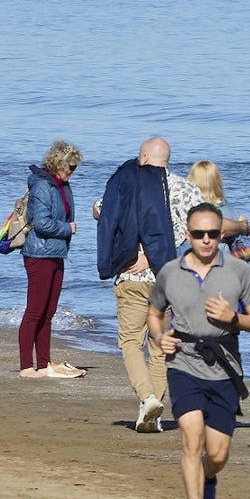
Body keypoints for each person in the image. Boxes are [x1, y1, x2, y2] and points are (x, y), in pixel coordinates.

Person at [148, 203, 250, 499]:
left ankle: (208, 477)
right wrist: (159, 337)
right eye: (198, 234)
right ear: (187, 235)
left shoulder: (238, 272)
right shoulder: (170, 272)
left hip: (224, 366)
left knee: (216, 454)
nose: (205, 240)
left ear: (221, 235)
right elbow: (153, 313)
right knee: (191, 438)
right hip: (183, 364)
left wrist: (233, 318)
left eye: (212, 234)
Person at [95, 137, 204, 431]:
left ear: (143, 157)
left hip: (131, 276)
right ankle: (150, 415)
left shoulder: (127, 183)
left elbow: (101, 209)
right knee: (160, 348)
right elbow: (201, 225)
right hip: (167, 275)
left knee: (131, 342)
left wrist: (135, 252)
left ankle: (147, 398)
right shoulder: (183, 189)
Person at [18, 141, 85, 379]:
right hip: (39, 254)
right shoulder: (43, 186)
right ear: (58, 163)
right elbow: (41, 222)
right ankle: (27, 366)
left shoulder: (62, 185)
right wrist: (67, 228)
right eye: (71, 166)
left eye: (76, 167)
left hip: (56, 253)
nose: (73, 171)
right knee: (35, 311)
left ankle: (44, 363)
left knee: (49, 312)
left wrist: (66, 229)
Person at [186, 160, 250, 259]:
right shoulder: (228, 210)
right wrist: (244, 226)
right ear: (217, 181)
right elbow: (246, 251)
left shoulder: (184, 206)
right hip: (223, 264)